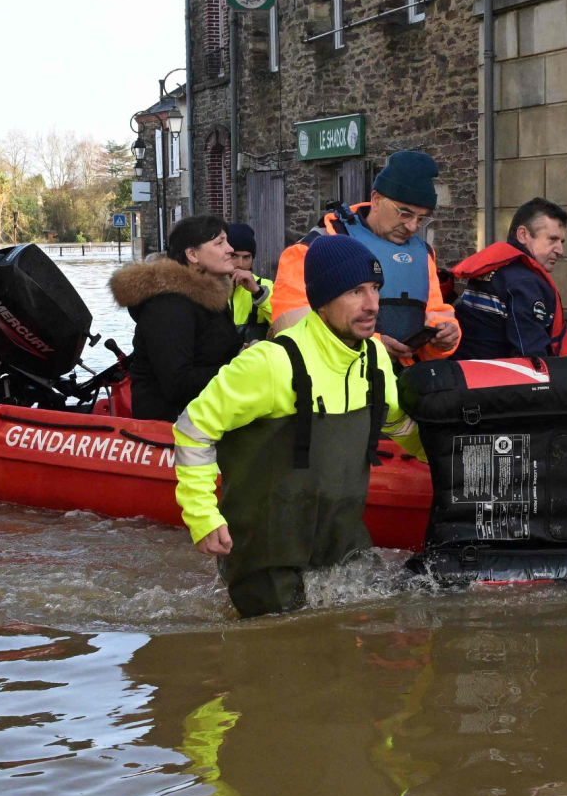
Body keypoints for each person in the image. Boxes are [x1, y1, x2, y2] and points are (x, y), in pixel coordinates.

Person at [172, 235, 425, 618]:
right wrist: (203, 517)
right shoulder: (271, 363)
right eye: (355, 291)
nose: (372, 305)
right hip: (266, 556)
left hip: (342, 544)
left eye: (375, 289)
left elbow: (401, 425)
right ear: (322, 300)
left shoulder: (374, 357)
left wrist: (454, 465)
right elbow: (194, 429)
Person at [266, 149, 460, 364]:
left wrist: (444, 338)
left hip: (404, 383)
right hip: (337, 384)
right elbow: (292, 327)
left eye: (422, 219)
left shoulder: (423, 254)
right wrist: (374, 345)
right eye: (405, 214)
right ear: (377, 199)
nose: (413, 226)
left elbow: (435, 311)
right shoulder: (313, 249)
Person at [111, 215, 246, 423]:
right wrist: (239, 367)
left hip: (208, 421)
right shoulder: (169, 305)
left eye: (227, 241)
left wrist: (246, 352)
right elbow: (178, 385)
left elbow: (216, 352)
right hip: (172, 432)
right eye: (220, 243)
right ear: (192, 254)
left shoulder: (211, 296)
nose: (230, 249)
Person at [450, 197, 567, 360]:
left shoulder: (493, 268)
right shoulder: (525, 282)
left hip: (466, 371)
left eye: (561, 241)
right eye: (552, 239)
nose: (560, 250)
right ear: (523, 235)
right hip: (497, 379)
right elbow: (531, 358)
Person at [224, 222, 269, 343]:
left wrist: (258, 293)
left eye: (246, 257)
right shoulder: (209, 288)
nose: (240, 264)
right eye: (234, 256)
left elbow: (285, 323)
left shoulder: (265, 286)